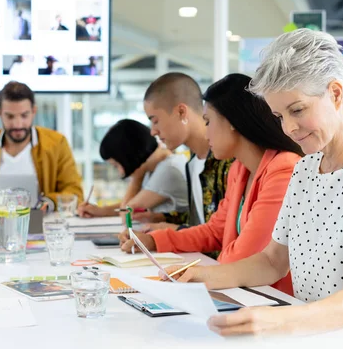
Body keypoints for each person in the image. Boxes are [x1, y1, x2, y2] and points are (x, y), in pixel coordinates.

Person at [162, 29, 343, 335]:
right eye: (279, 116)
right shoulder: (306, 169)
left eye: (297, 110)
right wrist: (199, 276)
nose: (288, 128)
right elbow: (273, 262)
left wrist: (275, 320)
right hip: (330, 336)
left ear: (336, 94)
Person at [121, 74, 303, 294]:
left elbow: (243, 255)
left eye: (208, 121)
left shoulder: (284, 169)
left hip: (273, 299)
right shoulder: (239, 169)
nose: (206, 132)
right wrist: (154, 241)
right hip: (245, 292)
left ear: (233, 122)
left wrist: (203, 270)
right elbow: (215, 231)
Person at [0, 81, 84, 208]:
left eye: (24, 116)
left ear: (34, 111)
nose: (17, 124)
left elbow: (74, 193)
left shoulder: (57, 144)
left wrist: (47, 203)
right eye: (10, 116)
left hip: (42, 224)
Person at [136, 72, 233, 230]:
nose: (153, 132)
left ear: (181, 112)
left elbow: (222, 231)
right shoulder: (193, 161)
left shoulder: (227, 160)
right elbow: (203, 218)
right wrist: (159, 218)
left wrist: (172, 230)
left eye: (156, 121)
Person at [77, 119, 188, 219]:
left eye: (116, 165)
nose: (120, 172)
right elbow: (132, 204)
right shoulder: (157, 166)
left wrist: (137, 178)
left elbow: (126, 215)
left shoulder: (168, 170)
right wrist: (100, 211)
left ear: (128, 156)